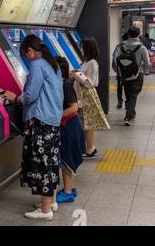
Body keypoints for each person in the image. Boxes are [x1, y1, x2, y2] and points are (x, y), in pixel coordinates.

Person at [4, 35, 63, 221]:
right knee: (52, 162)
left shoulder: (37, 66)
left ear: (30, 51)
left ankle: (45, 211)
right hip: (52, 120)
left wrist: (15, 98)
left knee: (41, 164)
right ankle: (51, 201)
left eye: (26, 55)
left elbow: (30, 95)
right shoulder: (52, 64)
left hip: (40, 121)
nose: (27, 59)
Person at [55, 56, 85, 204]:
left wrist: (55, 117)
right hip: (71, 126)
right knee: (68, 158)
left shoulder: (64, 85)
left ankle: (67, 192)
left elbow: (73, 107)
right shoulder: (64, 83)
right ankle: (70, 188)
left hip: (69, 127)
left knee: (66, 160)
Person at [72, 38, 101, 157]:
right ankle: (91, 147)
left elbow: (91, 82)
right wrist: (78, 71)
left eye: (82, 47)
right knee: (86, 123)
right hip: (83, 95)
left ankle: (89, 149)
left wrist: (77, 74)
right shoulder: (87, 62)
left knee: (87, 123)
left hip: (87, 96)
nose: (81, 50)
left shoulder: (93, 63)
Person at [119, 27, 150, 126]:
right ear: (138, 34)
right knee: (133, 95)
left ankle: (131, 112)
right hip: (138, 74)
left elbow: (117, 59)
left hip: (125, 74)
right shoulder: (142, 47)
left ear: (128, 34)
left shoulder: (122, 46)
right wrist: (144, 71)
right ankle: (128, 116)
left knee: (128, 94)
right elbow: (147, 63)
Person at [112, 33, 129, 109]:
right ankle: (128, 103)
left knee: (119, 88)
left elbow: (114, 59)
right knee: (129, 87)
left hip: (120, 72)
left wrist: (117, 70)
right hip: (130, 72)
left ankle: (120, 102)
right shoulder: (132, 47)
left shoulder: (118, 46)